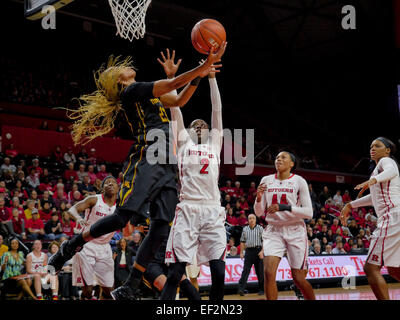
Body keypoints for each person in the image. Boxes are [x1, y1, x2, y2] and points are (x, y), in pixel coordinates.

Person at [48, 43, 226, 302]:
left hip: (167, 163)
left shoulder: (149, 92)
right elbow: (172, 86)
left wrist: (198, 76)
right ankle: (70, 246)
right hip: (148, 155)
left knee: (161, 226)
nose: (126, 65)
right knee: (123, 217)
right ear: (118, 80)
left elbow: (178, 99)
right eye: (120, 68)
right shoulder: (131, 90)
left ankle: (130, 285)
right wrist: (201, 69)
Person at [160, 50, 227, 301]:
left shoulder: (214, 146)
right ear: (188, 131)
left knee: (219, 271)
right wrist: (173, 78)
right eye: (194, 124)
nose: (200, 125)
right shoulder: (184, 144)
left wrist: (211, 77)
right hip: (188, 209)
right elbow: (176, 109)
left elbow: (217, 109)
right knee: (176, 271)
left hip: (212, 209)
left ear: (209, 131)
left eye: (204, 125)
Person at [340, 137, 400, 300]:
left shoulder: (386, 162)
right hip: (395, 217)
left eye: (377, 146)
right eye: (371, 146)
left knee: (371, 267)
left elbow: (392, 171)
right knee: (394, 269)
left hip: (392, 216)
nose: (372, 148)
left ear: (387, 150)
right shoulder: (377, 170)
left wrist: (372, 180)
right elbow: (374, 198)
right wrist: (350, 205)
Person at [254, 151, 315, 300]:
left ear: (291, 164)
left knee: (298, 279)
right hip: (274, 230)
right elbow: (259, 212)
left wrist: (284, 207)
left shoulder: (299, 181)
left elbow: (309, 213)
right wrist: (258, 198)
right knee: (268, 273)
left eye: (283, 157)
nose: (279, 159)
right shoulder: (266, 180)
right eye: (277, 157)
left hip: (295, 229)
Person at [64, 176, 118, 300]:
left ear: (117, 189)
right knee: (88, 291)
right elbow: (72, 209)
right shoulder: (94, 199)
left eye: (113, 183)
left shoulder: (120, 207)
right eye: (107, 183)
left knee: (110, 292)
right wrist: (78, 218)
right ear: (102, 189)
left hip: (105, 247)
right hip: (86, 245)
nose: (110, 184)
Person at [237, 214, 264, 296]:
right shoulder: (245, 229)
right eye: (249, 218)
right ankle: (241, 289)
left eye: (253, 218)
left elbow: (264, 240)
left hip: (258, 251)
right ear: (248, 220)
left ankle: (262, 289)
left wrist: (262, 251)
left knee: (260, 272)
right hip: (248, 251)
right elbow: (242, 241)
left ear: (255, 220)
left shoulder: (260, 228)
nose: (251, 220)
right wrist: (241, 252)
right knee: (245, 271)